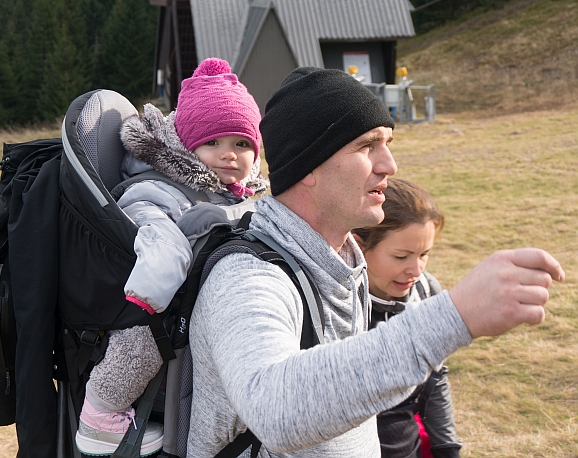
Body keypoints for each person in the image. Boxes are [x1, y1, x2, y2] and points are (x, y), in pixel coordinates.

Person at [187, 67, 564, 458]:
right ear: (309, 167)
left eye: (387, 142)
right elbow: (273, 409)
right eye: (368, 145)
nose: (390, 164)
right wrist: (456, 316)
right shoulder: (247, 276)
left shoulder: (345, 256)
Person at [75, 58, 269, 456]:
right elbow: (156, 233)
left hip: (200, 303)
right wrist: (154, 287)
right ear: (186, 145)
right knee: (140, 342)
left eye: (241, 143)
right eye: (212, 143)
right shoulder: (159, 189)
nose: (229, 155)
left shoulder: (239, 191)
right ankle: (99, 417)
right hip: (146, 302)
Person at [352, 178, 461, 458]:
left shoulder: (425, 290)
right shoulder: (334, 303)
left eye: (424, 254)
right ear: (358, 245)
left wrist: (446, 447)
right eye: (401, 256)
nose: (416, 269)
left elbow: (435, 377)